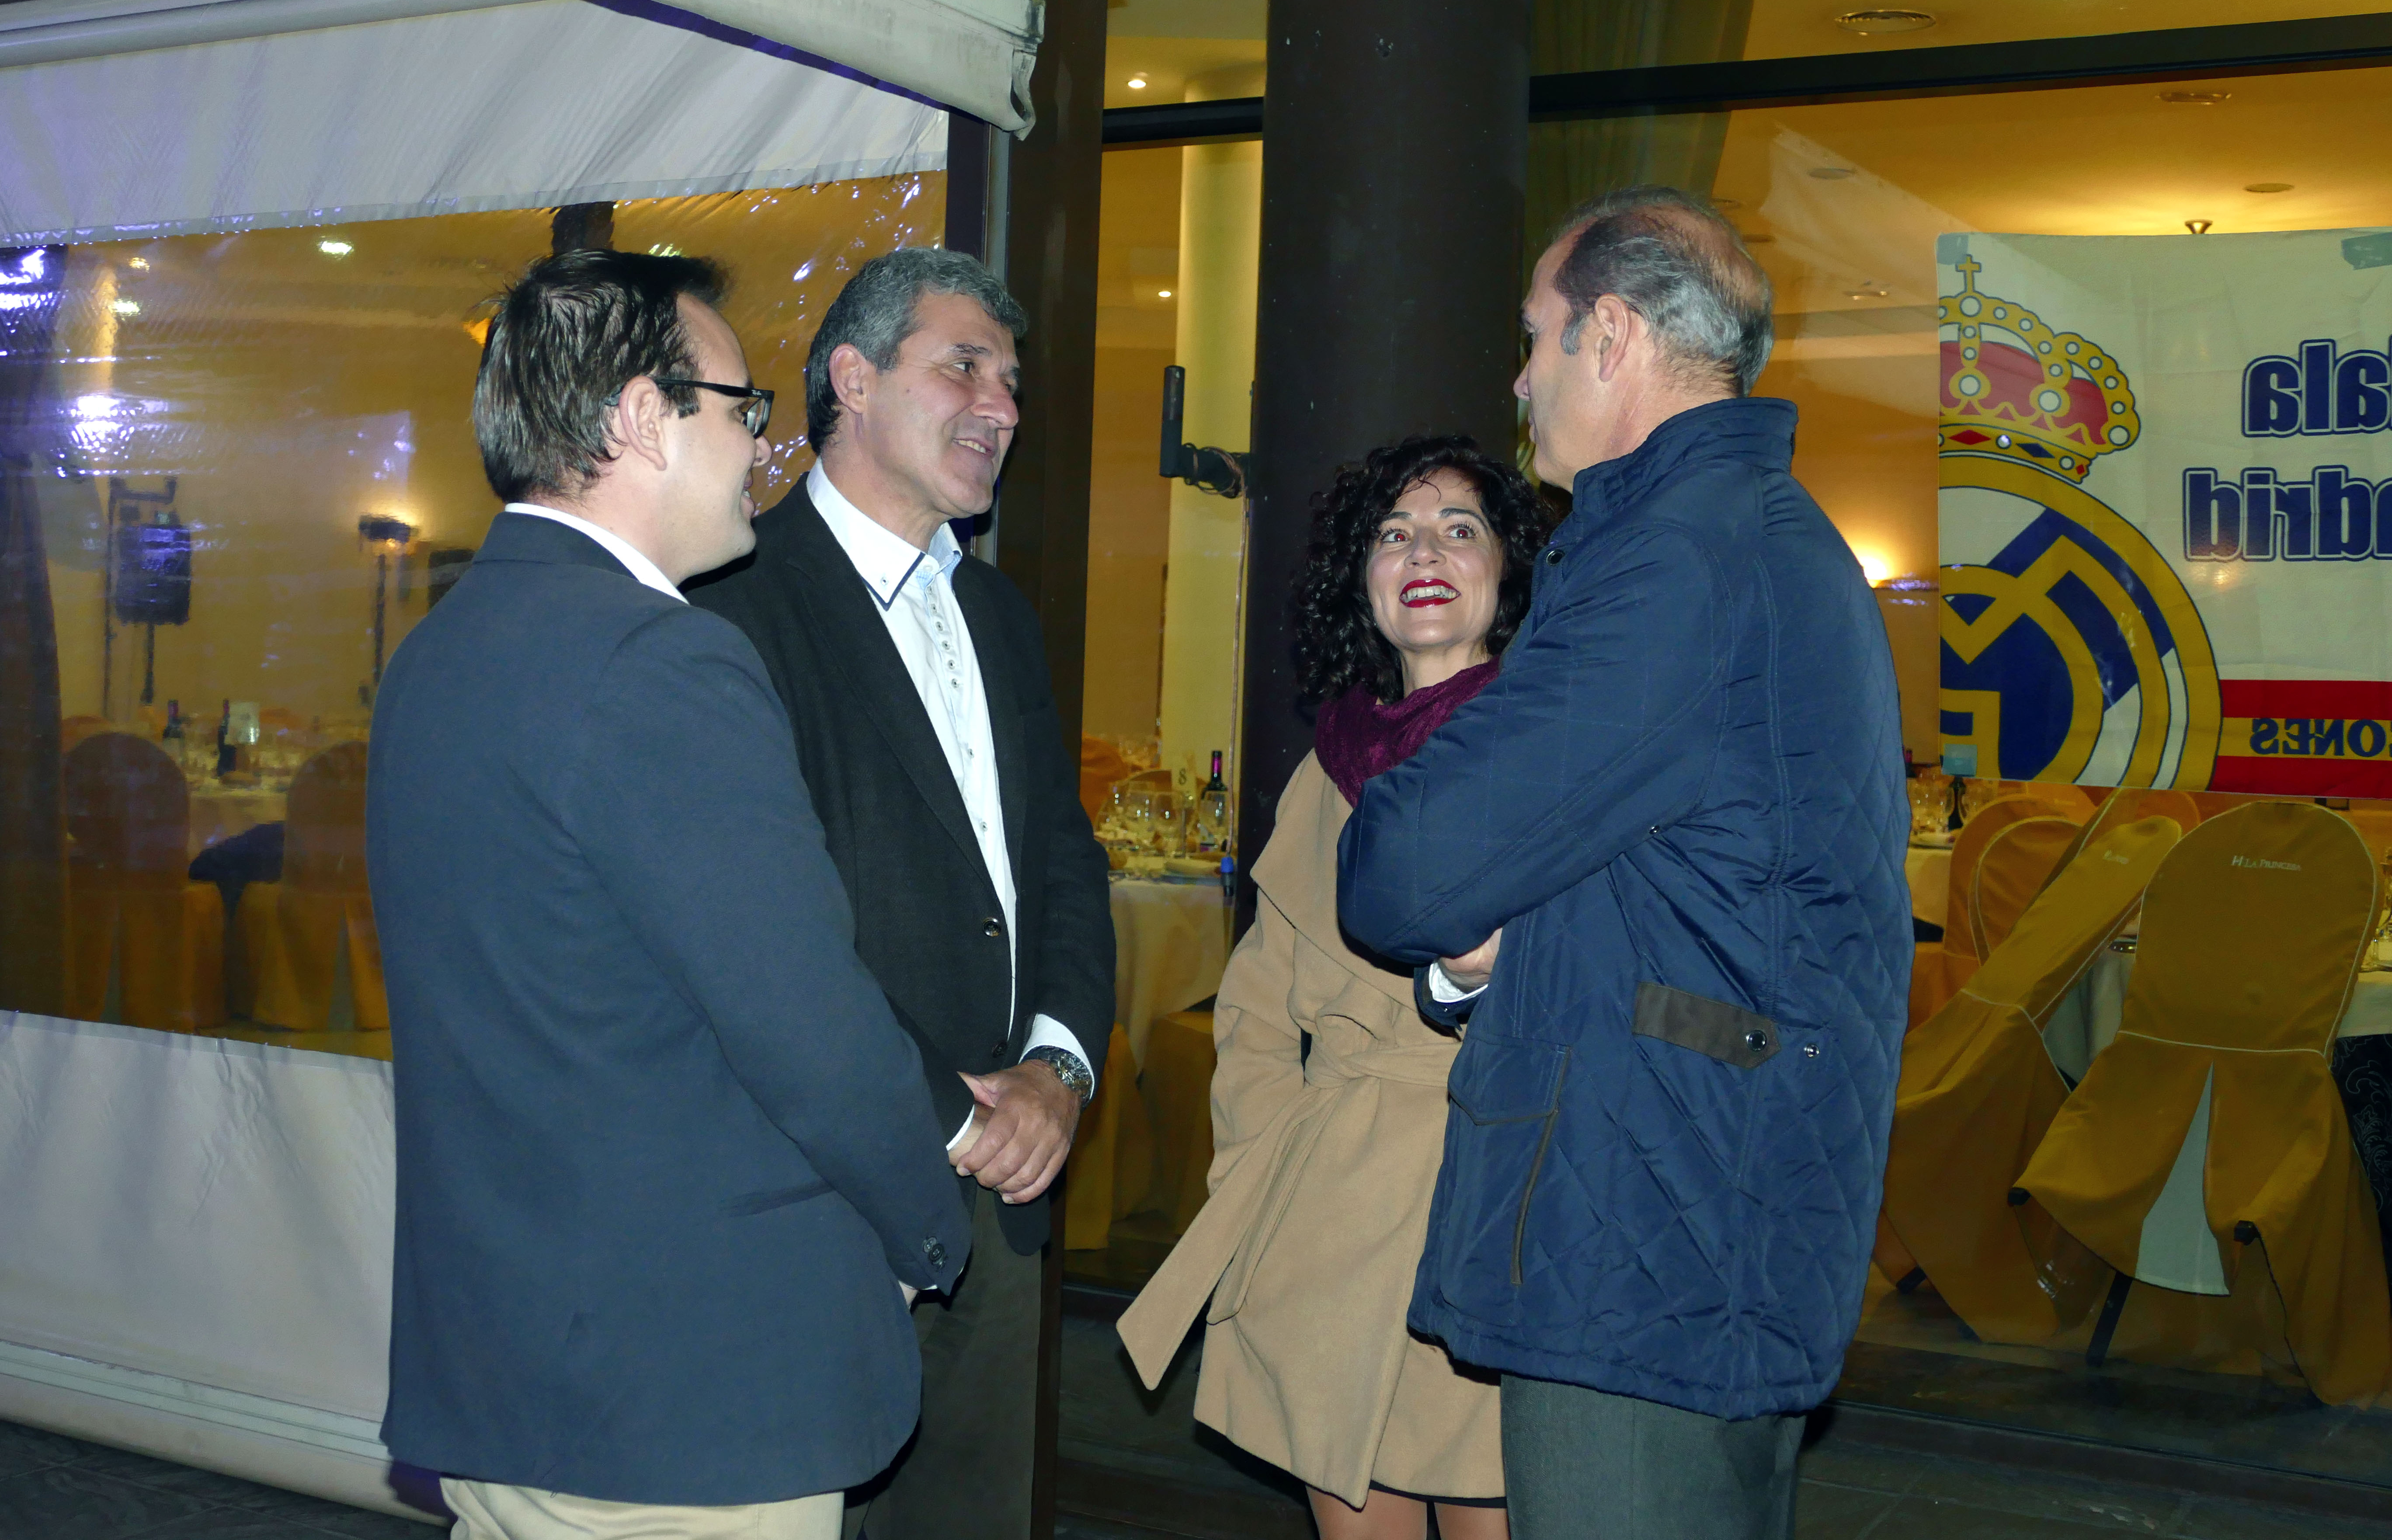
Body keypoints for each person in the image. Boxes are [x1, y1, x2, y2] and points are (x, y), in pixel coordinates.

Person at [369, 248, 972, 1540]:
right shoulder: (660, 662)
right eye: (743, 408)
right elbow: (808, 1027)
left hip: (509, 1358)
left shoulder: (436, 656)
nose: (762, 445)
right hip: (689, 1395)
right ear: (646, 418)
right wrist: (929, 1227)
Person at [1337, 186, 1911, 1540]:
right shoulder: (1752, 534)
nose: (1521, 378)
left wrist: (1470, 905)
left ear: (1611, 335)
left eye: (1535, 337)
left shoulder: (1679, 561)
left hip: (1657, 1224)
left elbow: (1402, 869)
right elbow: (1686, 879)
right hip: (1704, 1194)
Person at [688, 248, 1114, 1540]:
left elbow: (1062, 862)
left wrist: (1056, 1073)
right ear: (855, 380)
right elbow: (757, 931)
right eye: (964, 367)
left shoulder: (1003, 617)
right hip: (815, 1194)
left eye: (1013, 382)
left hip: (1008, 1201)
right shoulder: (731, 601)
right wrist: (954, 1116)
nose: (1002, 407)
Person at [1119, 433, 1549, 1540]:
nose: (1425, 553)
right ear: (1361, 579)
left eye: (1460, 529)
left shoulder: (1554, 751)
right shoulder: (1333, 763)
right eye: (1394, 534)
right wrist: (1268, 1160)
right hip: (1332, 1211)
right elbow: (1258, 1004)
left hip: (1494, 1205)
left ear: (1507, 570)